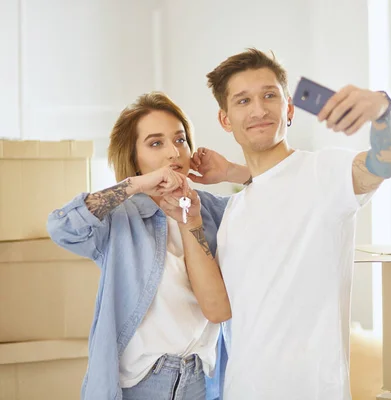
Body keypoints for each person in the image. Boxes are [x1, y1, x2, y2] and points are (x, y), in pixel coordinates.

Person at [194, 48, 391, 399]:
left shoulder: (325, 173)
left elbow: (386, 163)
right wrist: (233, 171)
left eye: (269, 96)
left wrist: (383, 109)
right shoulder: (234, 211)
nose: (259, 109)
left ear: (288, 109)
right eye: (243, 101)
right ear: (225, 120)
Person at [47, 92, 250, 400]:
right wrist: (136, 185)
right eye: (156, 143)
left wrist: (233, 172)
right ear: (135, 159)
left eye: (180, 140)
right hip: (141, 384)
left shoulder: (212, 211)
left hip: (200, 383)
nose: (173, 153)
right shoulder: (120, 217)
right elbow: (61, 227)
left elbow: (282, 199)